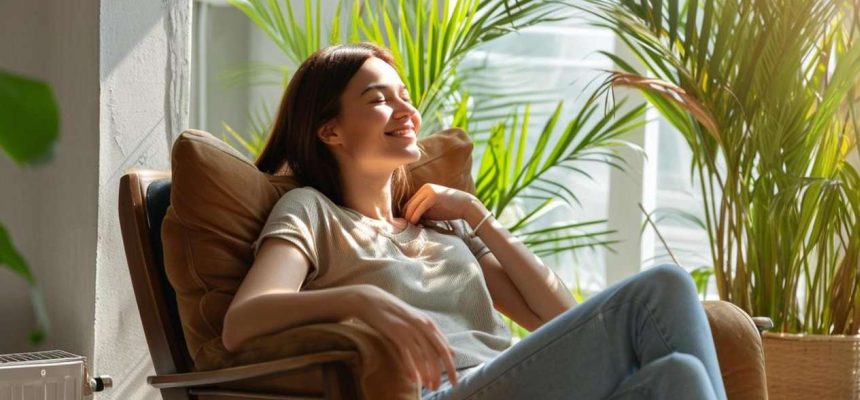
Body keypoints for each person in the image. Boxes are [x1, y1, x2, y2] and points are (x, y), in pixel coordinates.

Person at [221, 42, 726, 400]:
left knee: (678, 377)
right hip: (442, 392)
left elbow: (557, 318)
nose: (407, 110)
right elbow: (243, 322)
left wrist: (475, 214)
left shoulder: (441, 222)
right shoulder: (311, 211)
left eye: (404, 95)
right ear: (329, 129)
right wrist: (361, 298)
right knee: (662, 286)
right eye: (379, 99)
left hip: (504, 377)